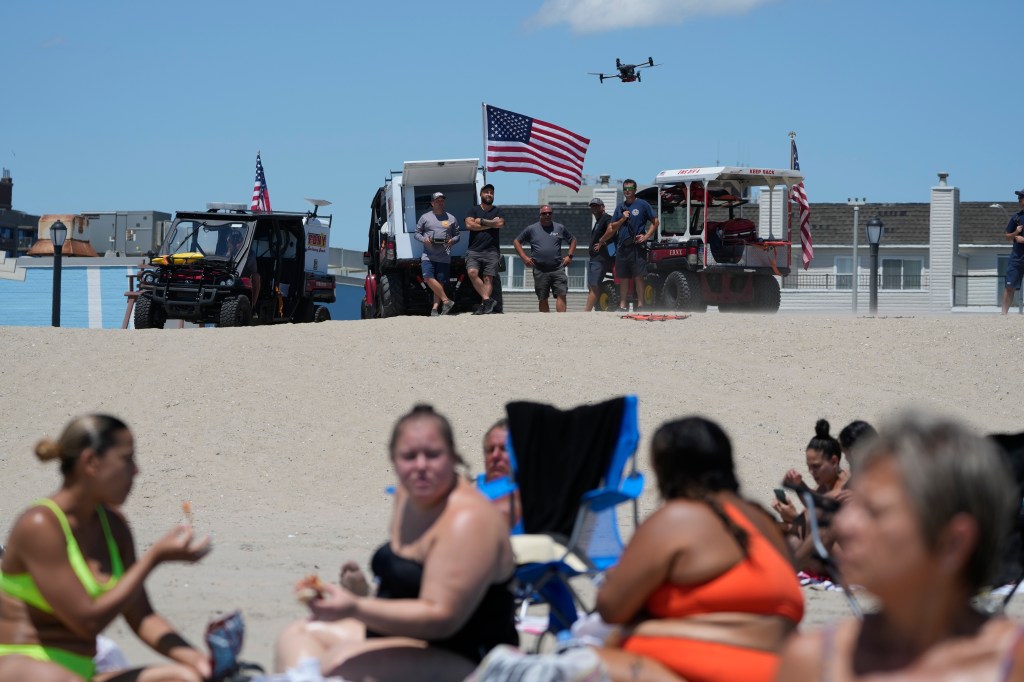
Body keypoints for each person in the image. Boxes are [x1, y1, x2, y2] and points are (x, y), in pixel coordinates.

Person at [475, 416, 804, 681]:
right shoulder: (762, 523)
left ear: (667, 471)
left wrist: (644, 620)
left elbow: (610, 605)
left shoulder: (681, 517)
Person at [275, 404, 518, 681]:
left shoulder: (468, 520)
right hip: (403, 636)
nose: (421, 466)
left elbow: (441, 618)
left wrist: (356, 607)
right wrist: (362, 593)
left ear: (453, 457)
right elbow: (408, 583)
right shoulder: (408, 496)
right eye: (409, 456)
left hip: (470, 656)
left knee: (339, 664)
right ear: (393, 459)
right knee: (296, 636)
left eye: (433, 455)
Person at [776, 413, 1024, 681]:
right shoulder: (811, 660)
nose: (845, 524)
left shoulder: (1013, 664)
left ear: (952, 542)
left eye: (875, 511)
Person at [0, 414, 213, 682]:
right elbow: (86, 623)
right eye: (127, 459)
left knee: (184, 678)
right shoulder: (40, 524)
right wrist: (153, 559)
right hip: (22, 667)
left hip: (82, 673)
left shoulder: (113, 526)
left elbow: (142, 616)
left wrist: (198, 660)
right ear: (91, 462)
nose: (136, 470)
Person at [772, 419, 850, 574]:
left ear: (834, 461)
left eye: (816, 466)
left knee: (803, 523)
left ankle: (785, 569)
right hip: (822, 553)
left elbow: (820, 513)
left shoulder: (846, 485)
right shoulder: (824, 485)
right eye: (809, 467)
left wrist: (794, 516)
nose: (811, 472)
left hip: (846, 562)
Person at [601, 179, 658, 312]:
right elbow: (612, 226)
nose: (628, 191)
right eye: (625, 188)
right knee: (624, 277)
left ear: (635, 190)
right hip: (622, 247)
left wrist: (646, 236)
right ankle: (623, 305)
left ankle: (640, 305)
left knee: (638, 276)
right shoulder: (620, 207)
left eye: (630, 188)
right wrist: (622, 218)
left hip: (637, 247)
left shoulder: (643, 204)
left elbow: (655, 222)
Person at [513, 205, 576, 313]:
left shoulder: (559, 228)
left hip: (557, 268)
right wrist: (524, 257)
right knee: (543, 297)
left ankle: (562, 321)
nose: (547, 215)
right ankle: (545, 322)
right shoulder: (531, 229)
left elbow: (573, 240)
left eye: (549, 213)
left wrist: (569, 256)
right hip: (540, 270)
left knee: (561, 293)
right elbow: (516, 241)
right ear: (540, 215)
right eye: (544, 213)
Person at [415, 192, 461, 316]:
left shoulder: (451, 218)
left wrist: (452, 241)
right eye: (437, 201)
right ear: (432, 203)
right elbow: (417, 233)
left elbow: (457, 235)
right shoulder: (425, 217)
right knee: (428, 278)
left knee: (440, 282)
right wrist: (424, 239)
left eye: (442, 201)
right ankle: (446, 301)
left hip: (444, 255)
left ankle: (435, 308)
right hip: (428, 255)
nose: (440, 203)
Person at [464, 184, 505, 315]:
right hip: (474, 250)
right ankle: (488, 300)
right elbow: (469, 225)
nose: (489, 194)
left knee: (488, 278)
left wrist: (481, 221)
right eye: (486, 192)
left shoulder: (497, 211)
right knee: (472, 273)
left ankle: (484, 305)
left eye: (491, 193)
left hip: (492, 250)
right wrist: (490, 224)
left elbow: (500, 224)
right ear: (481, 194)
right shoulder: (473, 209)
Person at [477, 419, 521, 531]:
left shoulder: (532, 497)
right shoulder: (468, 491)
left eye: (504, 449)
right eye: (490, 450)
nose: (495, 455)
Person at [584, 197, 614, 312]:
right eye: (593, 206)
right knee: (592, 285)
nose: (595, 208)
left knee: (594, 285)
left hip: (601, 258)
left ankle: (586, 312)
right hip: (594, 258)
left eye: (597, 206)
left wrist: (602, 241)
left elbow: (612, 229)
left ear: (603, 207)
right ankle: (594, 309)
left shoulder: (606, 218)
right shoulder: (598, 221)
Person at [1001, 188, 1024, 315]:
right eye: (1019, 197)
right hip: (1016, 258)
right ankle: (1003, 315)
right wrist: (1015, 233)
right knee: (1009, 287)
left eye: (1021, 197)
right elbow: (1007, 236)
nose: (1019, 199)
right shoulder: (1016, 218)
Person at [226, 229, 260, 305]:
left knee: (256, 277)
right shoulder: (224, 252)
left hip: (243, 275)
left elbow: (252, 268)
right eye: (232, 240)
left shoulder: (250, 253)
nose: (235, 243)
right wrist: (230, 251)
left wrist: (241, 250)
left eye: (238, 240)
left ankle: (252, 306)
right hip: (226, 277)